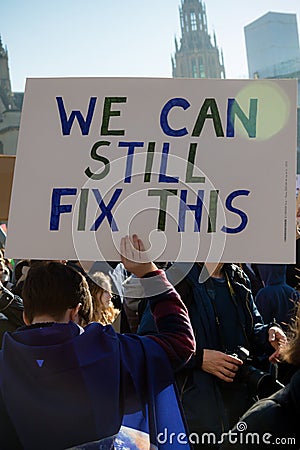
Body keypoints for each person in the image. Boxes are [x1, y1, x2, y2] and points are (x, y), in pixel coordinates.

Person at [0, 235, 195, 449]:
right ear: (75, 312)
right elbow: (181, 343)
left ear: (26, 316)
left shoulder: (4, 362)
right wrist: (148, 273)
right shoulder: (107, 349)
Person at [138, 261, 286, 449]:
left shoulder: (238, 277)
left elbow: (252, 328)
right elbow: (149, 345)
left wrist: (270, 334)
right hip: (194, 418)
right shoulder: (177, 279)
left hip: (239, 412)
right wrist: (199, 359)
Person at [220, 302, 300, 449]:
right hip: (207, 400)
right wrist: (198, 358)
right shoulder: (265, 419)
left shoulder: (239, 280)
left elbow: (253, 326)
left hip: (244, 392)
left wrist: (269, 331)